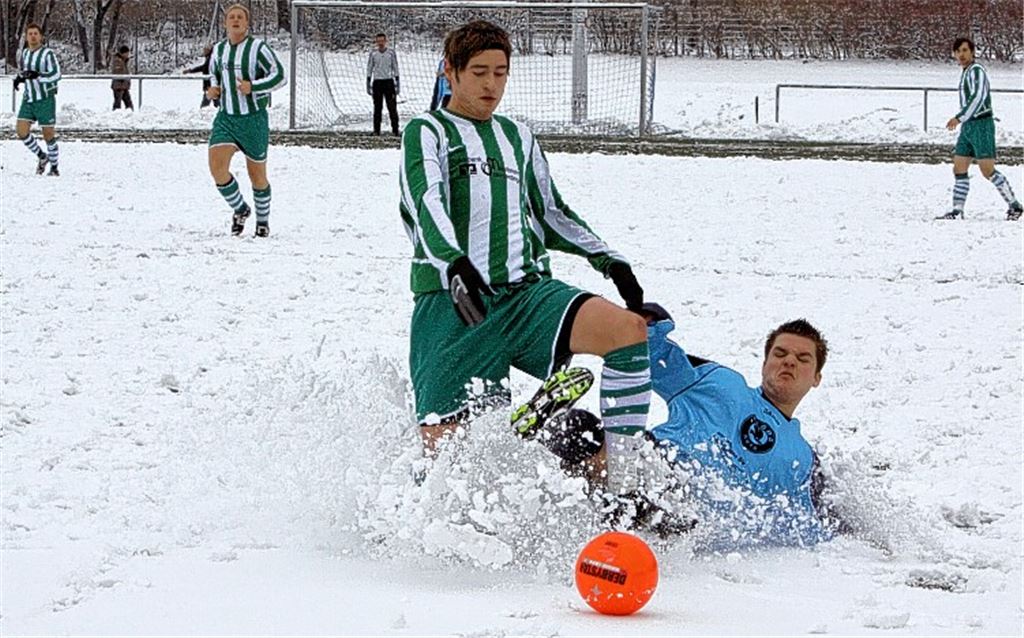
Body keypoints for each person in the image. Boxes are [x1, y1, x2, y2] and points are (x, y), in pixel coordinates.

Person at [400, 20, 652, 498]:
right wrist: (454, 263)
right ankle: (515, 438)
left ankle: (622, 487)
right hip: (454, 306)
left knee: (628, 332)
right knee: (451, 471)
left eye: (500, 72)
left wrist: (609, 260)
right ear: (449, 73)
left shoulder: (518, 137)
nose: (491, 84)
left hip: (527, 295)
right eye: (478, 72)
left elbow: (550, 211)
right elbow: (424, 200)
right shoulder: (426, 131)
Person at [520, 304, 835, 547]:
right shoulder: (720, 383)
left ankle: (562, 467)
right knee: (583, 430)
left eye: (803, 358)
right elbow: (653, 355)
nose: (789, 361)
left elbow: (816, 522)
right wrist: (647, 323)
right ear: (765, 362)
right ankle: (537, 442)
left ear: (817, 377)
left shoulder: (804, 461)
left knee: (628, 502)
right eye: (780, 353)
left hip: (691, 513)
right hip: (659, 461)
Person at [206, 4, 286, 238]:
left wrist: (254, 87)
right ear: (225, 23)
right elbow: (213, 73)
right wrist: (213, 89)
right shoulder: (219, 49)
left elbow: (279, 76)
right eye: (231, 17)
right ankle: (240, 209)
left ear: (247, 24)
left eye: (240, 17)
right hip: (226, 118)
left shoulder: (258, 48)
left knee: (257, 175)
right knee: (217, 169)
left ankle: (262, 222)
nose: (235, 20)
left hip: (253, 120)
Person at [936, 37, 1022, 221]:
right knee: (959, 166)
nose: (962, 54)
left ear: (973, 52)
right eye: (958, 51)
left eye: (965, 50)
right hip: (969, 126)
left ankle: (1015, 205)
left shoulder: (977, 71)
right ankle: (957, 210)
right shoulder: (966, 72)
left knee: (987, 169)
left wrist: (959, 117)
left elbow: (979, 97)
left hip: (981, 124)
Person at [13, 23, 61, 176]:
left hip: (45, 99)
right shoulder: (25, 53)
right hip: (28, 98)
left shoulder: (48, 54)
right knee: (21, 131)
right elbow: (25, 72)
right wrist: (19, 78)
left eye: (35, 33)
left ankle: (54, 168)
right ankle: (42, 156)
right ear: (26, 37)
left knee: (48, 135)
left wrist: (39, 76)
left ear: (41, 37)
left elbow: (56, 74)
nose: (33, 36)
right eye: (30, 34)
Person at [366, 32, 400, 135]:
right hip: (377, 83)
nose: (380, 43)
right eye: (378, 41)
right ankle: (376, 130)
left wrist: (397, 81)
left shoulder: (391, 53)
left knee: (392, 107)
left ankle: (395, 130)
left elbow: (395, 67)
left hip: (388, 82)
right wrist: (368, 81)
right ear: (376, 42)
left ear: (385, 41)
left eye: (382, 41)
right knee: (377, 108)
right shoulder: (373, 53)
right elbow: (370, 68)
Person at [184, 45, 219, 109]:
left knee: (208, 101)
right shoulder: (209, 58)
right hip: (210, 84)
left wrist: (190, 71)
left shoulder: (211, 59)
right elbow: (203, 68)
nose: (204, 51)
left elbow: (204, 68)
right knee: (215, 100)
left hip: (210, 84)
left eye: (205, 50)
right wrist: (190, 71)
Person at [111, 45, 133, 111]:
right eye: (127, 53)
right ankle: (115, 115)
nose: (128, 55)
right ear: (123, 53)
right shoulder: (118, 61)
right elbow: (118, 72)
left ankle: (130, 114)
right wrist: (124, 78)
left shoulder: (124, 61)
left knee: (128, 103)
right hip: (119, 86)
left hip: (124, 85)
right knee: (118, 103)